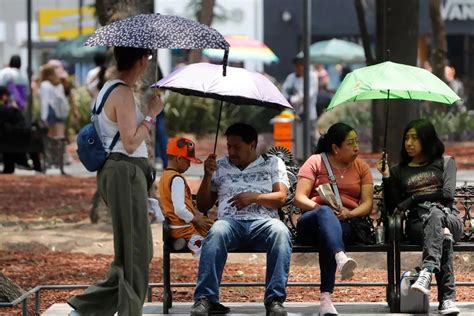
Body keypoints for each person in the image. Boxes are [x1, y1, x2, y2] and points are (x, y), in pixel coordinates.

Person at [67, 47, 163, 316]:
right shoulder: (120, 92)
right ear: (142, 61)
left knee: (134, 251)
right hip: (124, 171)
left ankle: (86, 308)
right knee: (136, 252)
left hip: (122, 173)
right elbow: (131, 143)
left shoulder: (110, 88)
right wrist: (152, 114)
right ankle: (120, 310)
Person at [191, 123, 292, 316]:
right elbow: (203, 205)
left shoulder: (272, 162)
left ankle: (275, 300)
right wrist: (207, 175)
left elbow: (281, 197)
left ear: (252, 144)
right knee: (217, 232)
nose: (231, 151)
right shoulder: (220, 165)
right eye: (229, 146)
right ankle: (206, 299)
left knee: (280, 232)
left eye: (236, 147)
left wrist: (254, 197)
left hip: (264, 223)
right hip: (230, 223)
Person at [377, 119, 463, 315]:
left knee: (437, 217)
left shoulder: (446, 162)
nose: (409, 143)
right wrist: (387, 176)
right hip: (418, 225)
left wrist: (413, 198)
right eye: (407, 138)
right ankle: (446, 300)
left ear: (427, 139)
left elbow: (448, 194)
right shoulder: (400, 170)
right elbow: (392, 206)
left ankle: (428, 269)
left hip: (450, 217)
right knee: (444, 236)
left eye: (415, 138)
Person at [294, 122, 373, 315]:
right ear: (335, 148)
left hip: (346, 224)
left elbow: (367, 204)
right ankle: (340, 257)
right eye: (350, 143)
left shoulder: (361, 167)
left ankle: (326, 299)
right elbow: (299, 198)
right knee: (325, 213)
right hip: (312, 222)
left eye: (357, 142)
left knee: (327, 237)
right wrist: (321, 209)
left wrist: (350, 213)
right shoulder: (315, 162)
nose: (356, 147)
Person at [158, 136, 211, 258]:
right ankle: (190, 242)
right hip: (184, 229)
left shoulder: (165, 176)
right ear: (179, 158)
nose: (189, 165)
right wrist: (196, 219)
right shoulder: (176, 179)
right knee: (209, 250)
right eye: (188, 161)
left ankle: (182, 242)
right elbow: (180, 209)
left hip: (175, 227)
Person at [282, 57, 318, 151]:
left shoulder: (312, 76)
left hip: (308, 114)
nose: (299, 69)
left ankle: (315, 157)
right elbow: (284, 93)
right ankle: (299, 161)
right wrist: (290, 97)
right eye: (297, 66)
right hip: (293, 114)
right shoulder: (291, 77)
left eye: (301, 66)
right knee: (296, 139)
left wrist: (295, 98)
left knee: (310, 138)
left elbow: (309, 94)